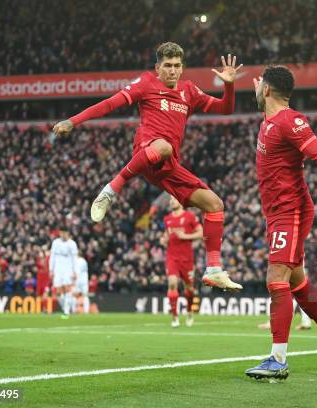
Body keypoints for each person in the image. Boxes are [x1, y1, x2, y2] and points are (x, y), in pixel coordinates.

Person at [53, 42, 242, 291]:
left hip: (168, 165)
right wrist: (73, 121)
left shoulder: (189, 91)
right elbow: (110, 104)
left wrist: (229, 84)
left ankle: (214, 270)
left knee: (215, 205)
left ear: (182, 67)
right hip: (147, 149)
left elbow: (225, 109)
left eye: (177, 66)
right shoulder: (146, 83)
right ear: (157, 67)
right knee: (163, 147)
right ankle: (111, 190)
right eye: (167, 66)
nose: (172, 71)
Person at [245, 66, 317, 380]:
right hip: (276, 212)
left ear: (267, 90)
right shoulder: (270, 120)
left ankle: (277, 359)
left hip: (290, 212)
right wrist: (259, 93)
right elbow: (269, 108)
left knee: (276, 279)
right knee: (296, 281)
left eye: (261, 85)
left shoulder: (291, 121)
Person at [161, 196, 202, 327]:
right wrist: (163, 240)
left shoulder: (190, 217)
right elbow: (166, 236)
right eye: (170, 200)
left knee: (189, 289)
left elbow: (201, 233)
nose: (172, 202)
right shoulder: (167, 219)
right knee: (172, 283)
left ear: (180, 201)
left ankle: (189, 312)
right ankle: (175, 317)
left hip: (187, 259)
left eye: (174, 199)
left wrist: (186, 236)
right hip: (171, 257)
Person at [49, 227, 77, 319]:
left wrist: (75, 271)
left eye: (64, 233)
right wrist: (51, 270)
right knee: (58, 293)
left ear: (68, 233)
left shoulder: (72, 244)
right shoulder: (55, 243)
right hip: (58, 269)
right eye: (61, 233)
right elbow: (52, 256)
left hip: (68, 269)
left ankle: (66, 312)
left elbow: (74, 259)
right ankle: (68, 307)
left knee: (67, 289)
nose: (63, 234)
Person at [73, 250, 90, 314]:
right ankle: (86, 311)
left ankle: (74, 309)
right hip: (85, 280)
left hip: (78, 280)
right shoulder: (84, 261)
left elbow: (77, 271)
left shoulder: (77, 261)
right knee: (85, 295)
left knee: (75, 295)